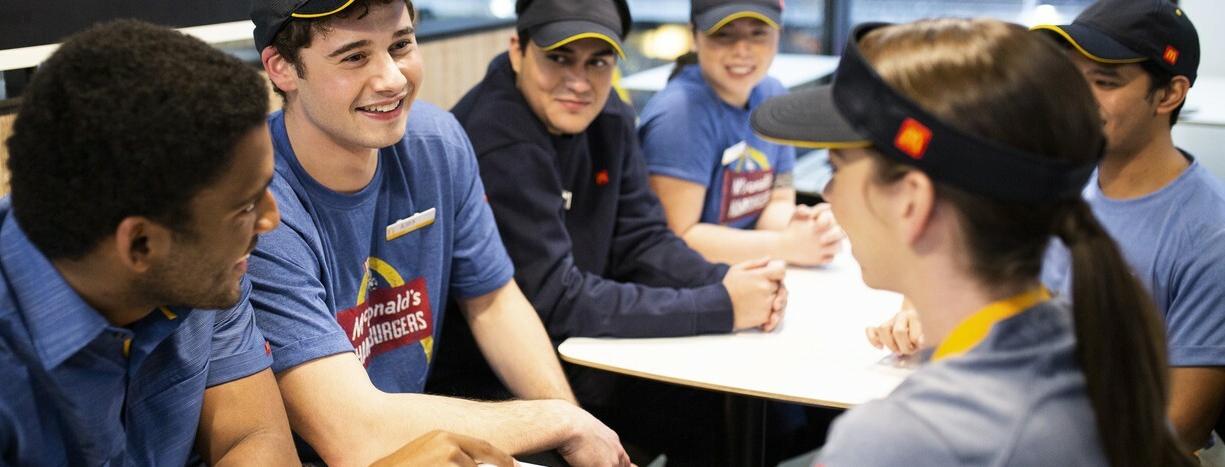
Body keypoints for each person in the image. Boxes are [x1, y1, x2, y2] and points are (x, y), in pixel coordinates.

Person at [0, 20, 297, 465]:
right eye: (246, 207)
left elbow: (253, 436)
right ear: (139, 244)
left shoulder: (195, 268)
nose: (270, 219)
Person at [751, 18, 1195, 466]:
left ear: (911, 200)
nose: (827, 195)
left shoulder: (904, 441)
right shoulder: (1090, 344)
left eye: (836, 169)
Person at [247, 0, 628, 465]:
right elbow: (352, 433)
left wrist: (576, 427)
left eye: (401, 45)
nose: (392, 79)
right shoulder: (257, 205)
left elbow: (494, 302)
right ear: (282, 68)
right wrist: (557, 421)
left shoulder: (437, 141)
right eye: (354, 56)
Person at [441, 0, 797, 462]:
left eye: (598, 62)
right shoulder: (497, 135)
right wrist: (720, 306)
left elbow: (642, 237)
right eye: (559, 58)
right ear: (517, 50)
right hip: (491, 382)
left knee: (717, 407)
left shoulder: (608, 112)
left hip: (583, 349)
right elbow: (554, 297)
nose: (580, 82)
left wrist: (724, 280)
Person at [866, 0, 1225, 452]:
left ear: (1169, 94)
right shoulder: (1053, 175)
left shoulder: (1210, 236)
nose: (1079, 98)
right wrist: (920, 309)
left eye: (1104, 82)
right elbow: (968, 264)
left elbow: (1180, 427)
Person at [639, 0, 843, 266]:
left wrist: (808, 228)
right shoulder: (679, 114)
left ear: (778, 34)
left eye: (758, 32)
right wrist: (786, 245)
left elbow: (776, 200)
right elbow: (677, 238)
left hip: (746, 269)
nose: (741, 50)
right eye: (723, 33)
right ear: (694, 37)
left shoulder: (772, 96)